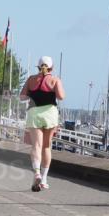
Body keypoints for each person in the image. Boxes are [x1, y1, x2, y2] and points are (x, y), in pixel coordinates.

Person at [20, 55, 66, 191]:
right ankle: (44, 179)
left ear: (38, 67)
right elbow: (61, 97)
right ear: (51, 67)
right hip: (50, 114)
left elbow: (22, 97)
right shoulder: (54, 80)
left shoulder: (31, 80)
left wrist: (32, 93)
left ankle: (37, 173)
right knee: (46, 146)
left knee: (36, 145)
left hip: (34, 113)